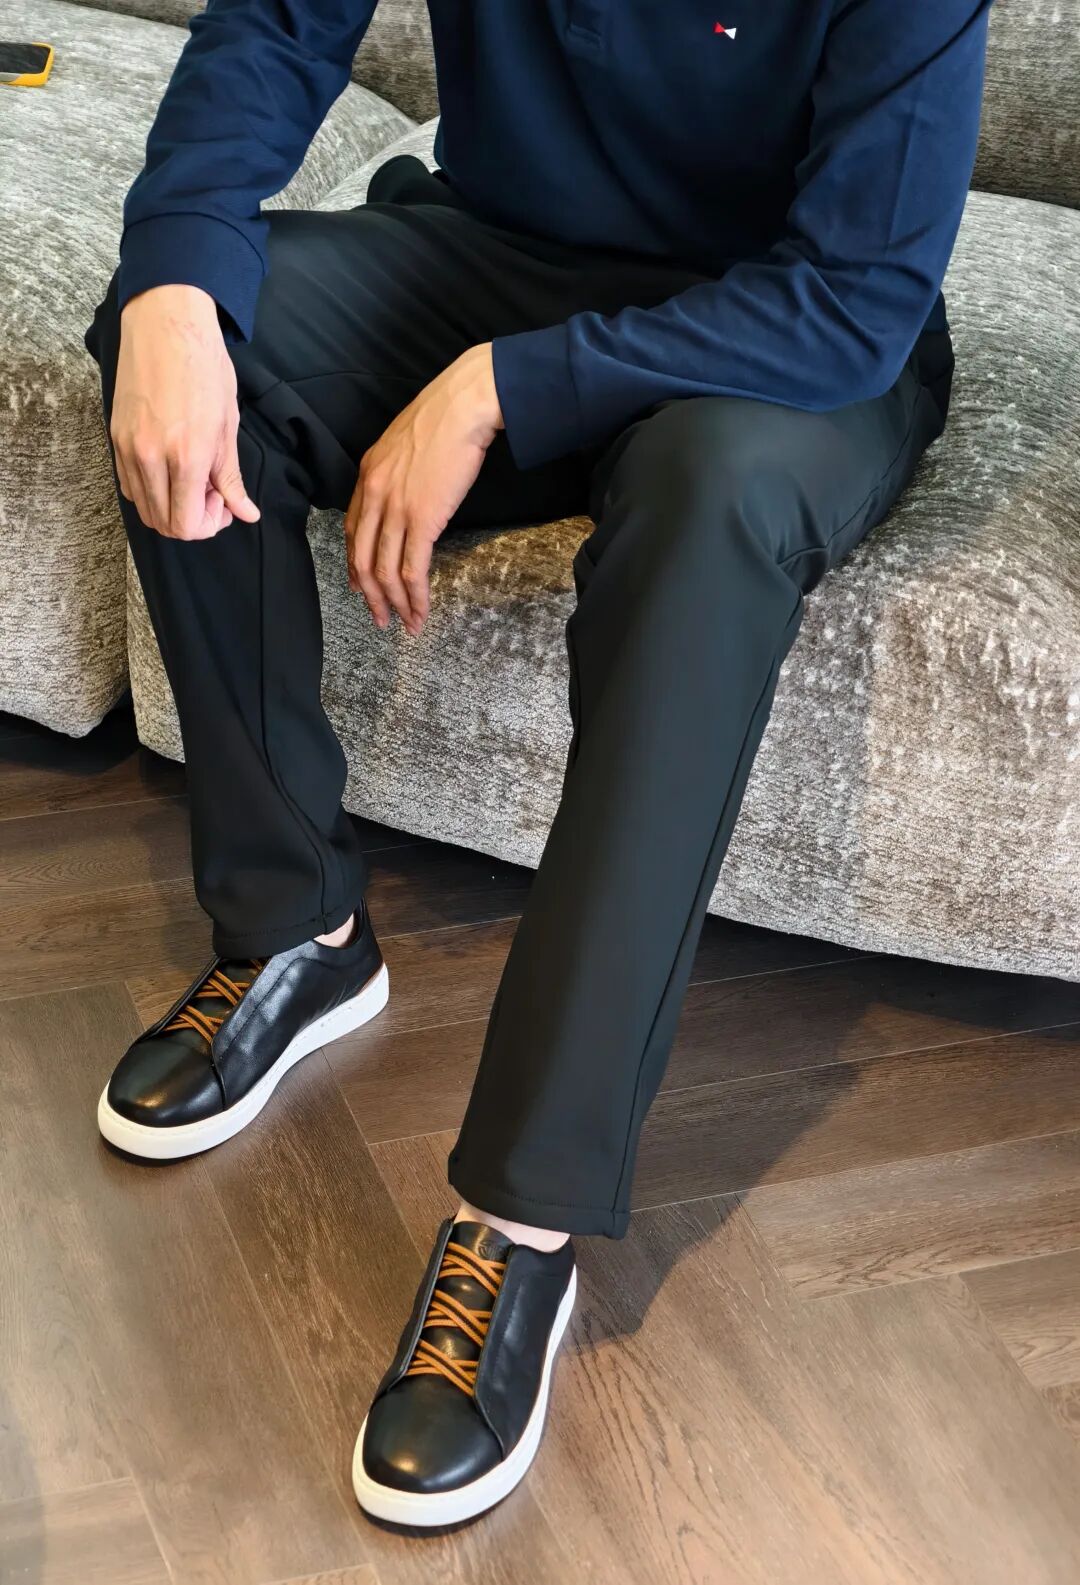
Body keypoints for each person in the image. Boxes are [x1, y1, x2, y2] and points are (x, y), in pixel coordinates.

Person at [85, 0, 992, 1529]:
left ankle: (522, 1214)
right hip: (503, 254)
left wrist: (501, 387)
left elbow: (857, 294)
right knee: (185, 333)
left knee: (706, 513)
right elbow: (280, 26)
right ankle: (296, 926)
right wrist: (173, 267)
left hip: (783, 331)